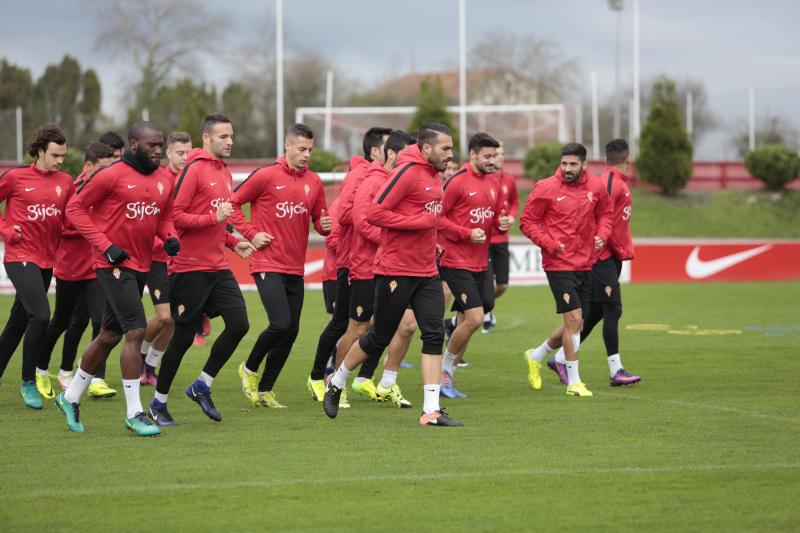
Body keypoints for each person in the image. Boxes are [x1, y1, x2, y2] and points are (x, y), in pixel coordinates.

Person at [323, 122, 462, 427]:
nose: (451, 154)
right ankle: (337, 381)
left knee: (434, 333)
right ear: (426, 148)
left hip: (426, 270)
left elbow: (427, 217)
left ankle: (431, 411)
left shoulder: (432, 175)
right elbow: (375, 213)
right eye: (445, 148)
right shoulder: (408, 173)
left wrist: (433, 239)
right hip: (396, 270)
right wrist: (420, 224)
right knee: (378, 336)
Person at [55, 121, 179, 436]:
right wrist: (106, 246)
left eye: (160, 145)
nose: (158, 150)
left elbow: (165, 215)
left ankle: (69, 398)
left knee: (109, 335)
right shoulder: (110, 175)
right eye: (152, 145)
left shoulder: (165, 178)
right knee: (135, 331)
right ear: (134, 144)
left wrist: (169, 236)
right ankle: (135, 412)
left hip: (140, 264)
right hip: (112, 265)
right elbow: (75, 209)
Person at [147, 114, 254, 425]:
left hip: (218, 267)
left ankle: (202, 385)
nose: (230, 141)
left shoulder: (225, 173)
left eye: (231, 135)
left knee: (239, 324)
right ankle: (158, 403)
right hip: (189, 268)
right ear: (206, 139)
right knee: (180, 339)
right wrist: (212, 218)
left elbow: (220, 221)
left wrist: (234, 243)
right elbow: (174, 218)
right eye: (223, 136)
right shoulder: (193, 171)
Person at [232, 123, 331, 408]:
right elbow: (233, 204)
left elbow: (320, 222)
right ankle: (249, 369)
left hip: (294, 267)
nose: (307, 155)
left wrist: (324, 226)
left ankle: (265, 390)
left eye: (310, 150)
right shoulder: (265, 176)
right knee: (280, 323)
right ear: (286, 146)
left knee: (292, 331)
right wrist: (251, 234)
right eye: (301, 149)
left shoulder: (314, 181)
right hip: (266, 262)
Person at [519, 142, 612, 397]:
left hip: (586, 261)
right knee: (573, 320)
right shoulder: (546, 187)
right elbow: (527, 222)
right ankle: (574, 382)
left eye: (573, 164)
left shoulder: (596, 186)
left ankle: (536, 355)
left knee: (577, 322)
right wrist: (549, 243)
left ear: (584, 165)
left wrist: (603, 234)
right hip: (558, 263)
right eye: (564, 164)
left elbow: (606, 214)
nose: (567, 168)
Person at [548, 139, 641, 387]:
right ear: (628, 160)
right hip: (601, 258)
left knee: (594, 313)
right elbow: (599, 219)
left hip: (612, 256)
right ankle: (616, 370)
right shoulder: (609, 183)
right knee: (613, 310)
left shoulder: (618, 182)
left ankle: (556, 358)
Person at [308, 127, 391, 404]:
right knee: (349, 325)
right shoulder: (361, 176)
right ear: (377, 151)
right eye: (391, 148)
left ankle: (362, 378)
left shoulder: (388, 176)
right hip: (352, 262)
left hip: (374, 262)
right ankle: (325, 378)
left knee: (377, 324)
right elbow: (345, 214)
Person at [339, 129, 418, 408]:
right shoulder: (373, 181)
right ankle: (337, 385)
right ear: (392, 154)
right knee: (358, 329)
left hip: (395, 267)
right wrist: (395, 238)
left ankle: (383, 382)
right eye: (409, 155)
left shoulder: (404, 182)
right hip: (366, 267)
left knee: (405, 325)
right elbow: (362, 222)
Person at [0, 123, 74, 409]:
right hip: (20, 258)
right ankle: (28, 382)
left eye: (63, 156)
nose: (60, 161)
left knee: (17, 323)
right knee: (41, 316)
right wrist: (6, 231)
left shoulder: (65, 182)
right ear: (40, 151)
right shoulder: (16, 177)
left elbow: (70, 218)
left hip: (46, 262)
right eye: (55, 155)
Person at [38, 141, 118, 399]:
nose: (108, 173)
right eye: (103, 168)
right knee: (62, 322)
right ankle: (39, 369)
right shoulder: (74, 189)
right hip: (70, 267)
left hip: (96, 268)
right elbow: (60, 226)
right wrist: (90, 229)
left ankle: (96, 379)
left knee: (100, 321)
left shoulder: (108, 189)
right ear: (89, 166)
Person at [438, 133, 511, 398]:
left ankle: (448, 377)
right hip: (455, 261)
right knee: (476, 318)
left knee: (469, 320)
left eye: (495, 156)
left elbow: (490, 219)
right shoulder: (456, 182)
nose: (493, 161)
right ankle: (443, 372)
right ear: (473, 156)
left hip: (481, 262)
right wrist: (466, 233)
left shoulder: (494, 183)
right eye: (487, 156)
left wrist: (499, 224)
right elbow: (437, 219)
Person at [139, 131, 192, 386]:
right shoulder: (158, 179)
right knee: (164, 317)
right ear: (168, 153)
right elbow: (150, 221)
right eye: (180, 153)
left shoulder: (193, 178)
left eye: (188, 153)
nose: (185, 158)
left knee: (175, 321)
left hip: (182, 262)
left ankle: (149, 367)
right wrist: (165, 243)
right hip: (157, 259)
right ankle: (139, 357)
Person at [482, 143, 519, 333]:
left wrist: (512, 216)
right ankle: (485, 313)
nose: (500, 157)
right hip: (484, 240)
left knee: (502, 285)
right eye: (496, 154)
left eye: (502, 154)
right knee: (486, 287)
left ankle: (482, 309)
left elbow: (514, 201)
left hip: (502, 239)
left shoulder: (509, 180)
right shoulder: (483, 179)